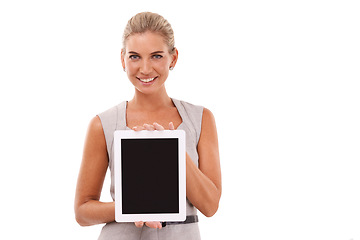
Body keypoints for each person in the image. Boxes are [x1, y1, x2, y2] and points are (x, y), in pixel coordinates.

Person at [74, 12, 221, 240]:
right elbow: (82, 212)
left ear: (173, 58)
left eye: (156, 56)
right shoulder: (103, 124)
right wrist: (133, 207)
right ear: (122, 59)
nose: (144, 68)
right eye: (134, 57)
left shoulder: (200, 119)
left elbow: (210, 206)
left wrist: (172, 150)